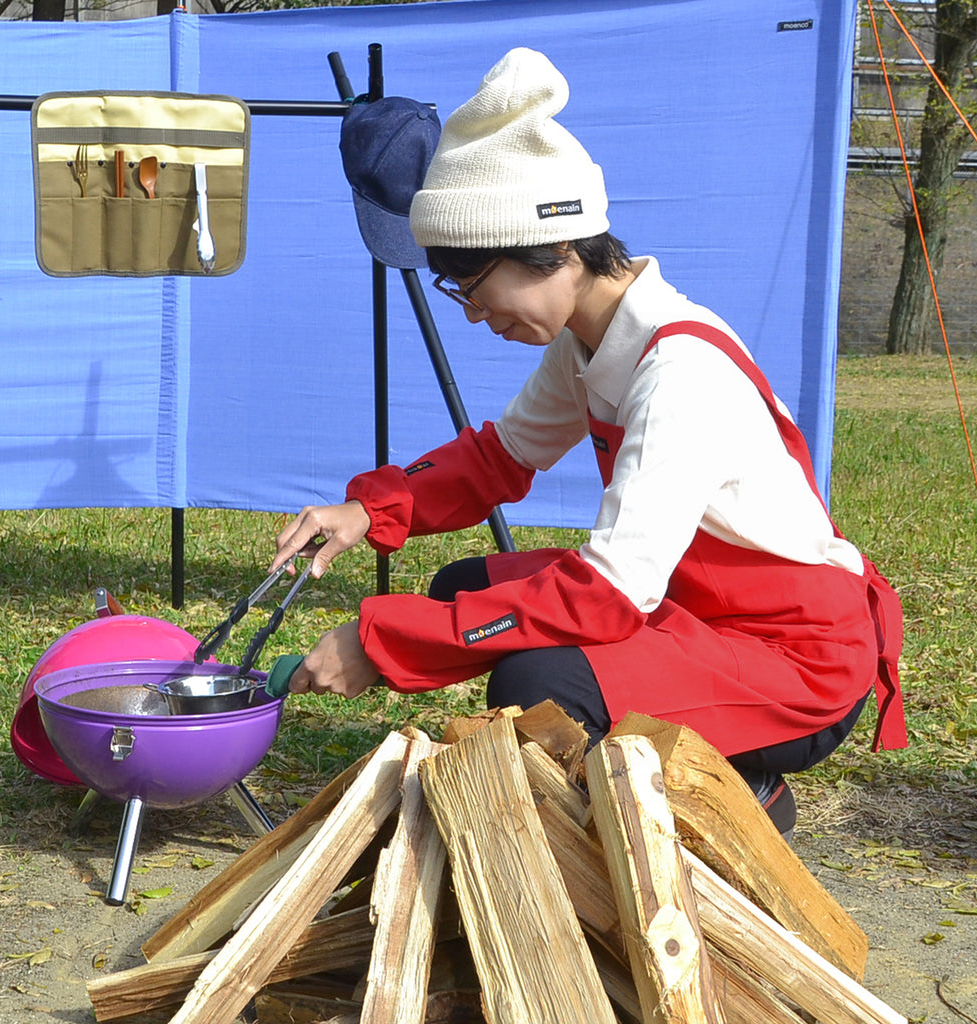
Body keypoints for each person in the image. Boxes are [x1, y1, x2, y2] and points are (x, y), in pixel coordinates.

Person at [271, 47, 906, 838]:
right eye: (455, 287)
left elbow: (607, 595)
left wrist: (383, 640)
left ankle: (738, 792)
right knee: (461, 583)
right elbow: (497, 458)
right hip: (698, 608)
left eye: (474, 284)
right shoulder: (588, 342)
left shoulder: (680, 373)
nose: (472, 312)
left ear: (556, 246)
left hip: (795, 660)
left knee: (538, 679)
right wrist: (367, 512)